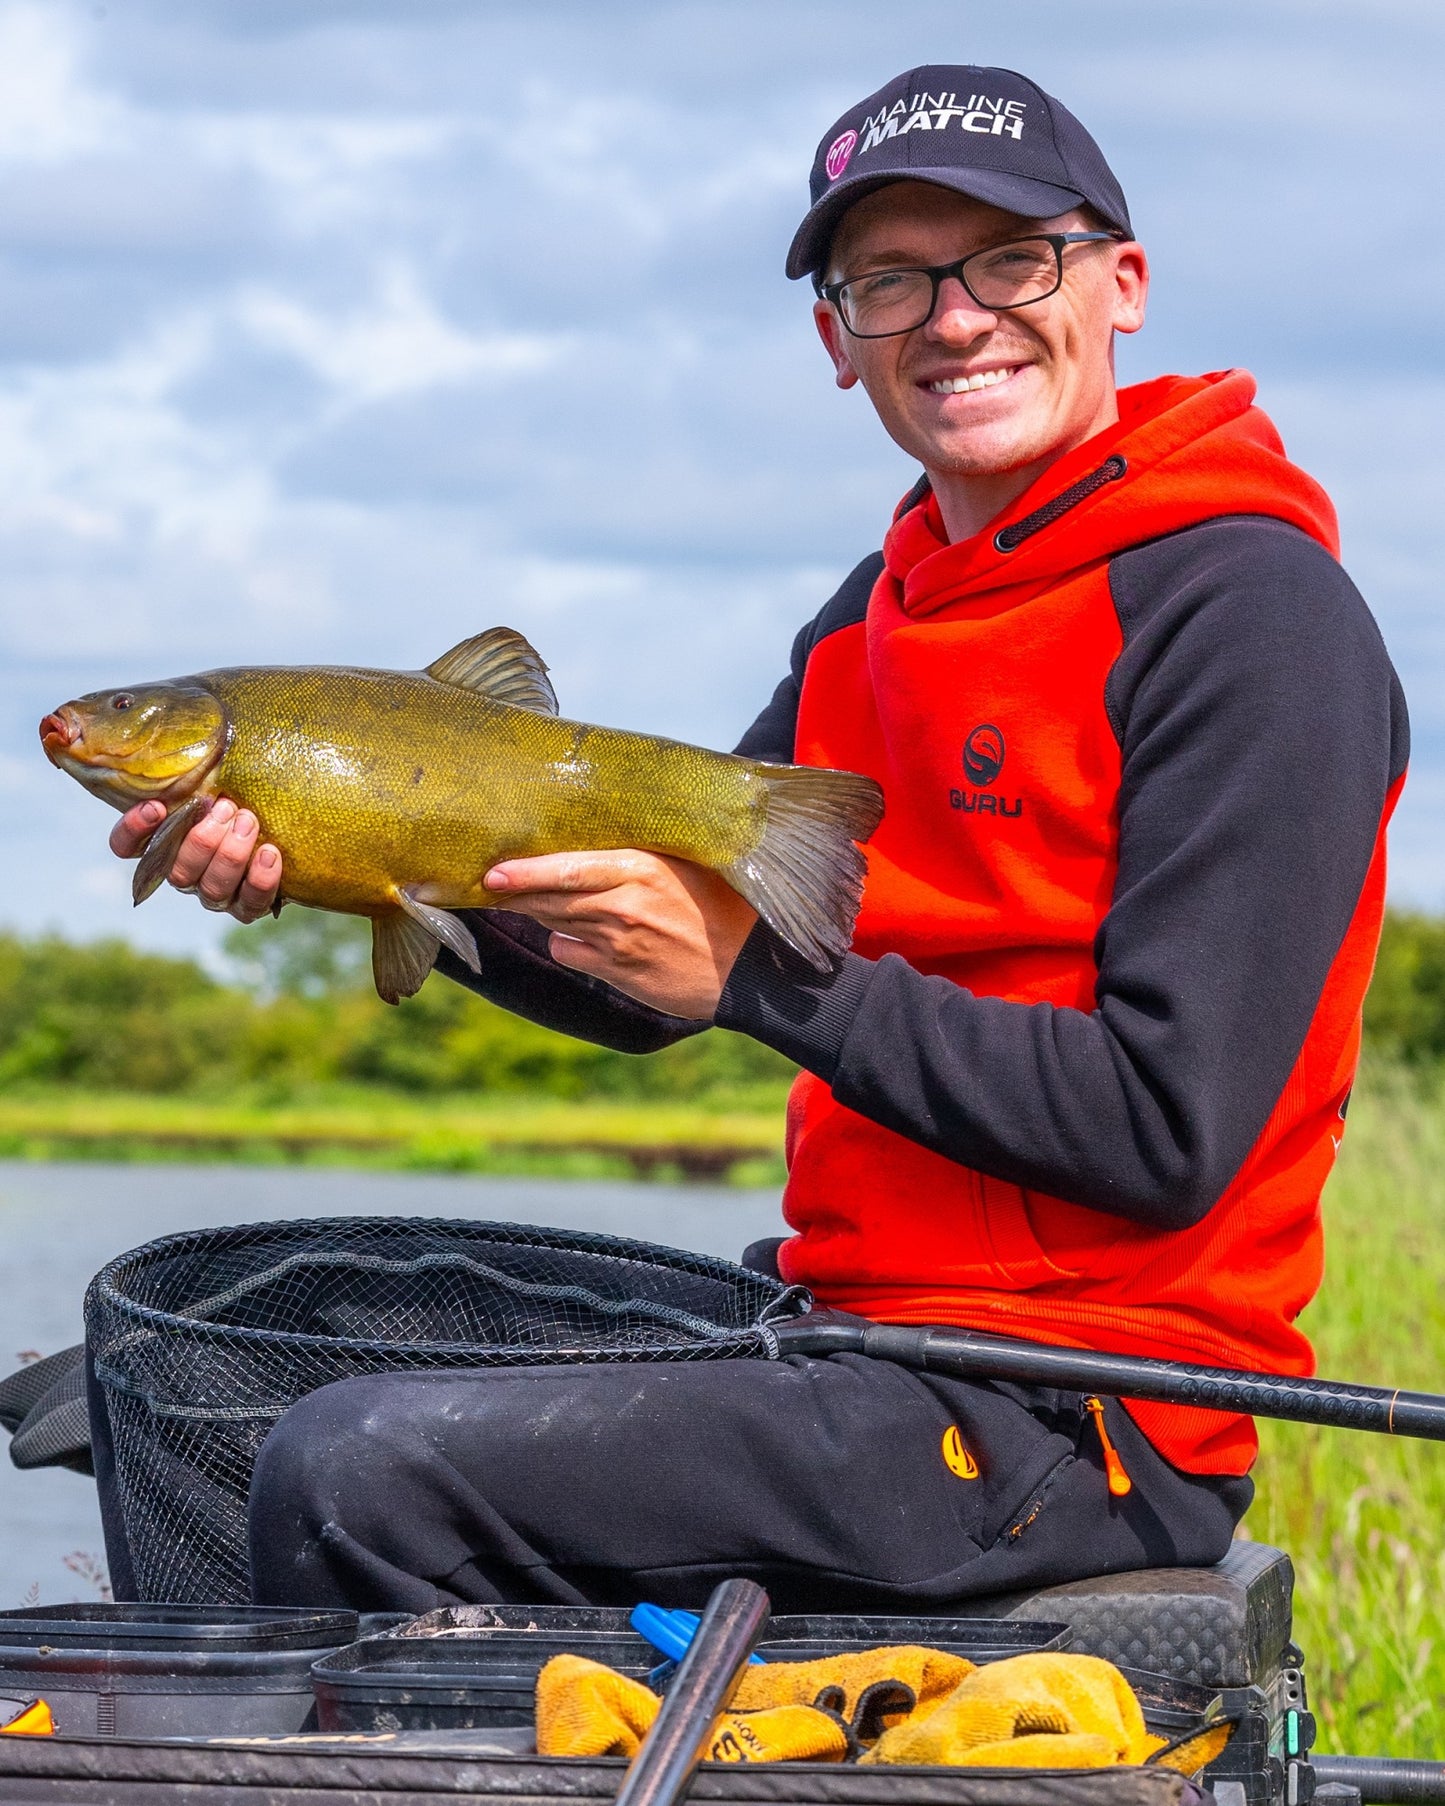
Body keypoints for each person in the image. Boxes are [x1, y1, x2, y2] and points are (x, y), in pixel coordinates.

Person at [105, 64, 1406, 1613]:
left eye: (1008, 260)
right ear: (834, 342)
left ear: (1116, 285)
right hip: (858, 1326)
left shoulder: (1249, 613)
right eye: (890, 282)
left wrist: (753, 978)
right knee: (240, 1347)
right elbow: (644, 969)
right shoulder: (870, 618)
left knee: (357, 1463)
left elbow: (1161, 1131)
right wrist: (375, 874)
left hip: (1079, 1409)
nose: (955, 316)